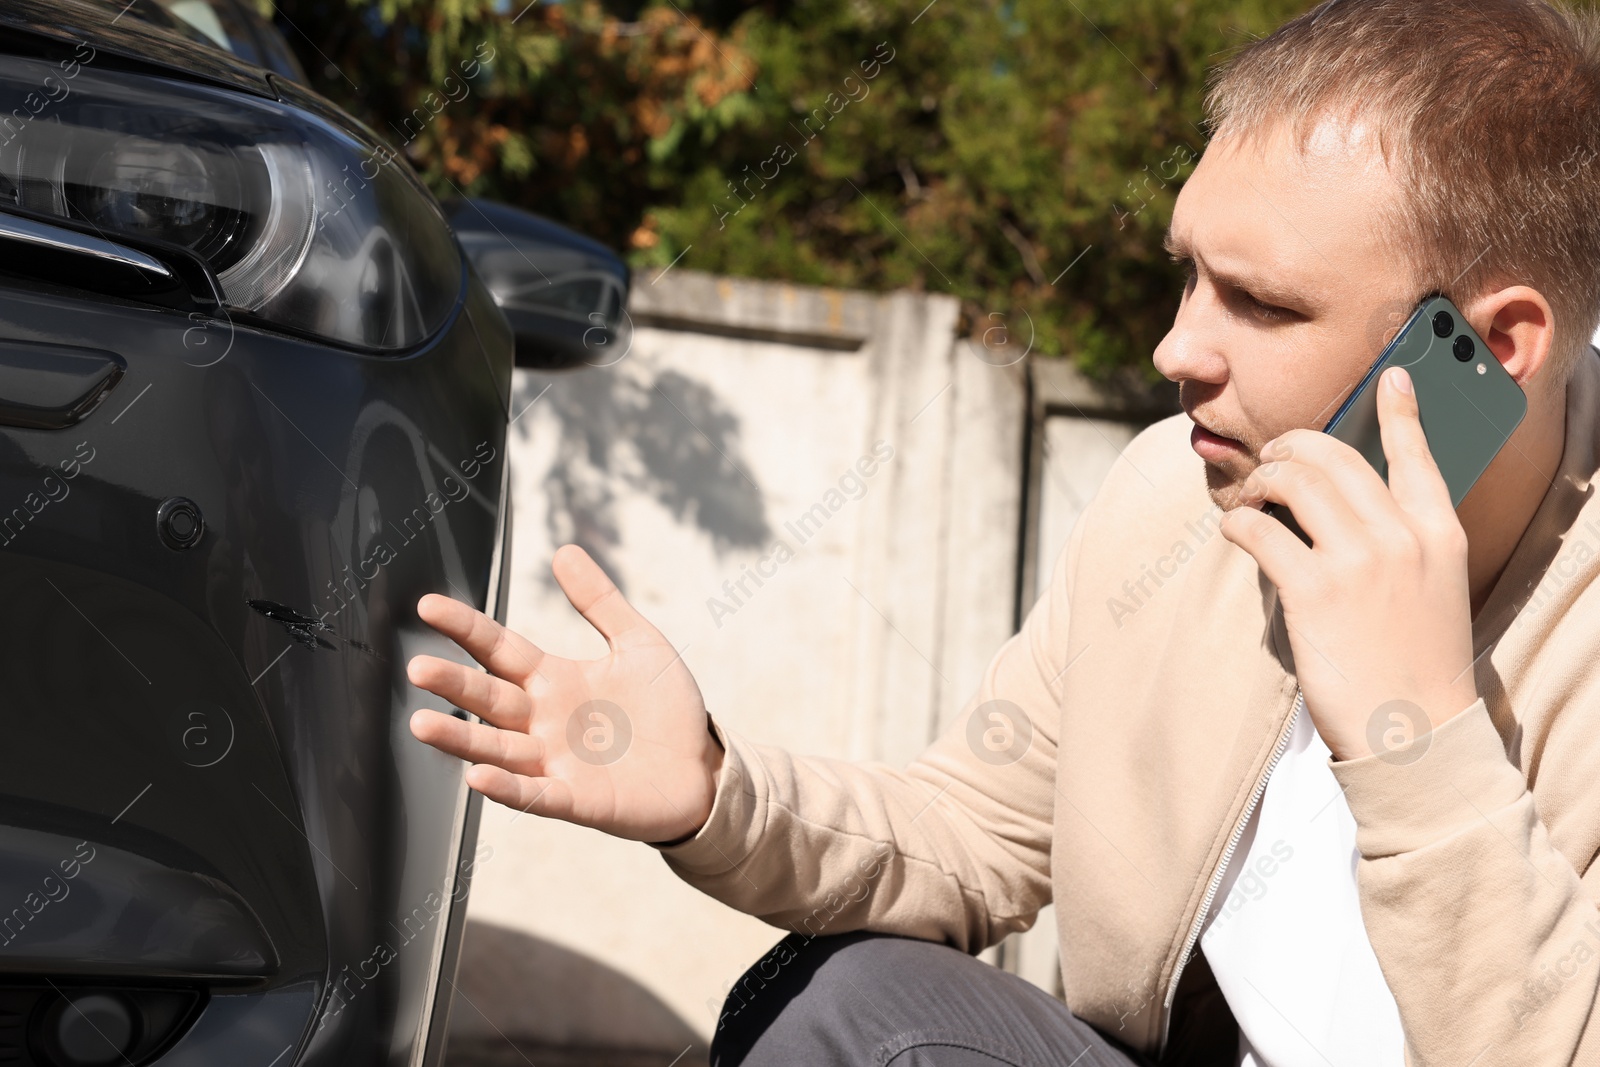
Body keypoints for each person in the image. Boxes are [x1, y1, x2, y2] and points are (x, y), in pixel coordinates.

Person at [404, 0, 1600, 1063]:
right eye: (1187, 274)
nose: (1176, 349)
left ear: (1493, 349)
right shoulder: (1172, 502)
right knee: (848, 999)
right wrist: (712, 789)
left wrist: (1416, 732)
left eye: (1264, 302)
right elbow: (971, 834)